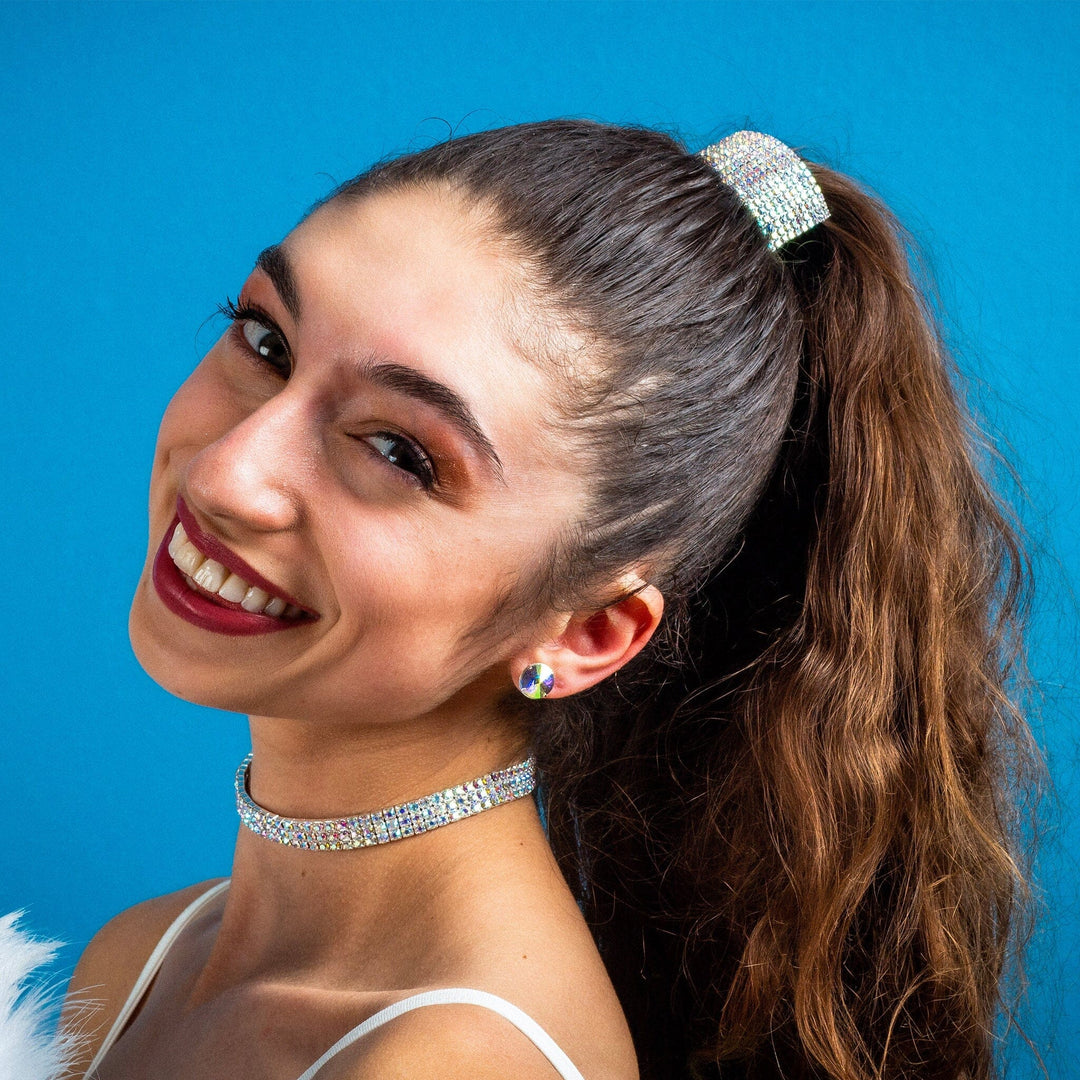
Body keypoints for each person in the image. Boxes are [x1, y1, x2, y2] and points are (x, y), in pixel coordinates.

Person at [61, 120, 1035, 1080]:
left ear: (588, 633)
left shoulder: (453, 1066)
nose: (228, 475)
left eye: (398, 451)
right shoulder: (135, 962)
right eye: (266, 341)